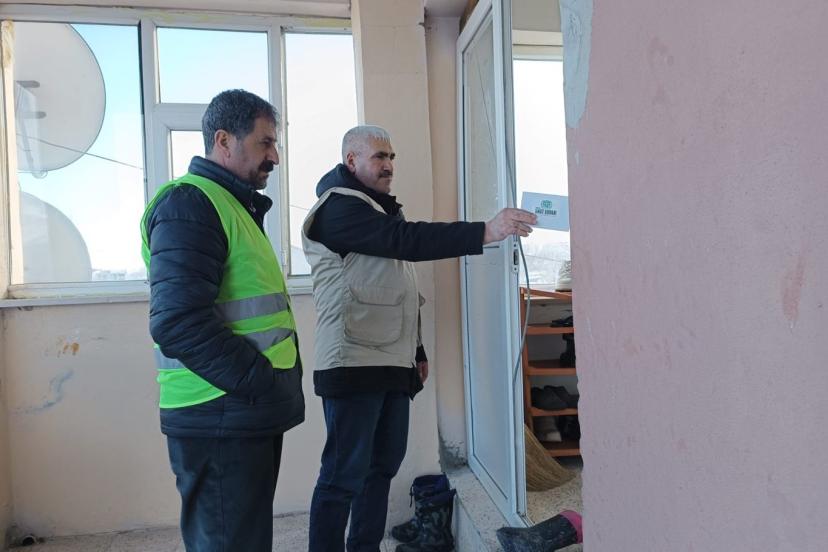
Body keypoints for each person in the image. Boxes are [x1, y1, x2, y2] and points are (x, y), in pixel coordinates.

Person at [302, 125, 536, 552]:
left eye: (392, 156)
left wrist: (418, 349)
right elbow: (405, 242)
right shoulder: (339, 208)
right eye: (379, 156)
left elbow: (398, 289)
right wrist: (486, 230)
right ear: (351, 160)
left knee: (381, 468)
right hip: (351, 362)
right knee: (342, 477)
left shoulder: (379, 211)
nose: (389, 165)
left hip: (392, 360)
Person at [140, 89, 304, 552]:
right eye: (265, 142)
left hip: (235, 410)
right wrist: (257, 381)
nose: (275, 157)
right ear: (224, 140)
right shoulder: (190, 204)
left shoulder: (231, 205)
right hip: (220, 410)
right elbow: (176, 322)